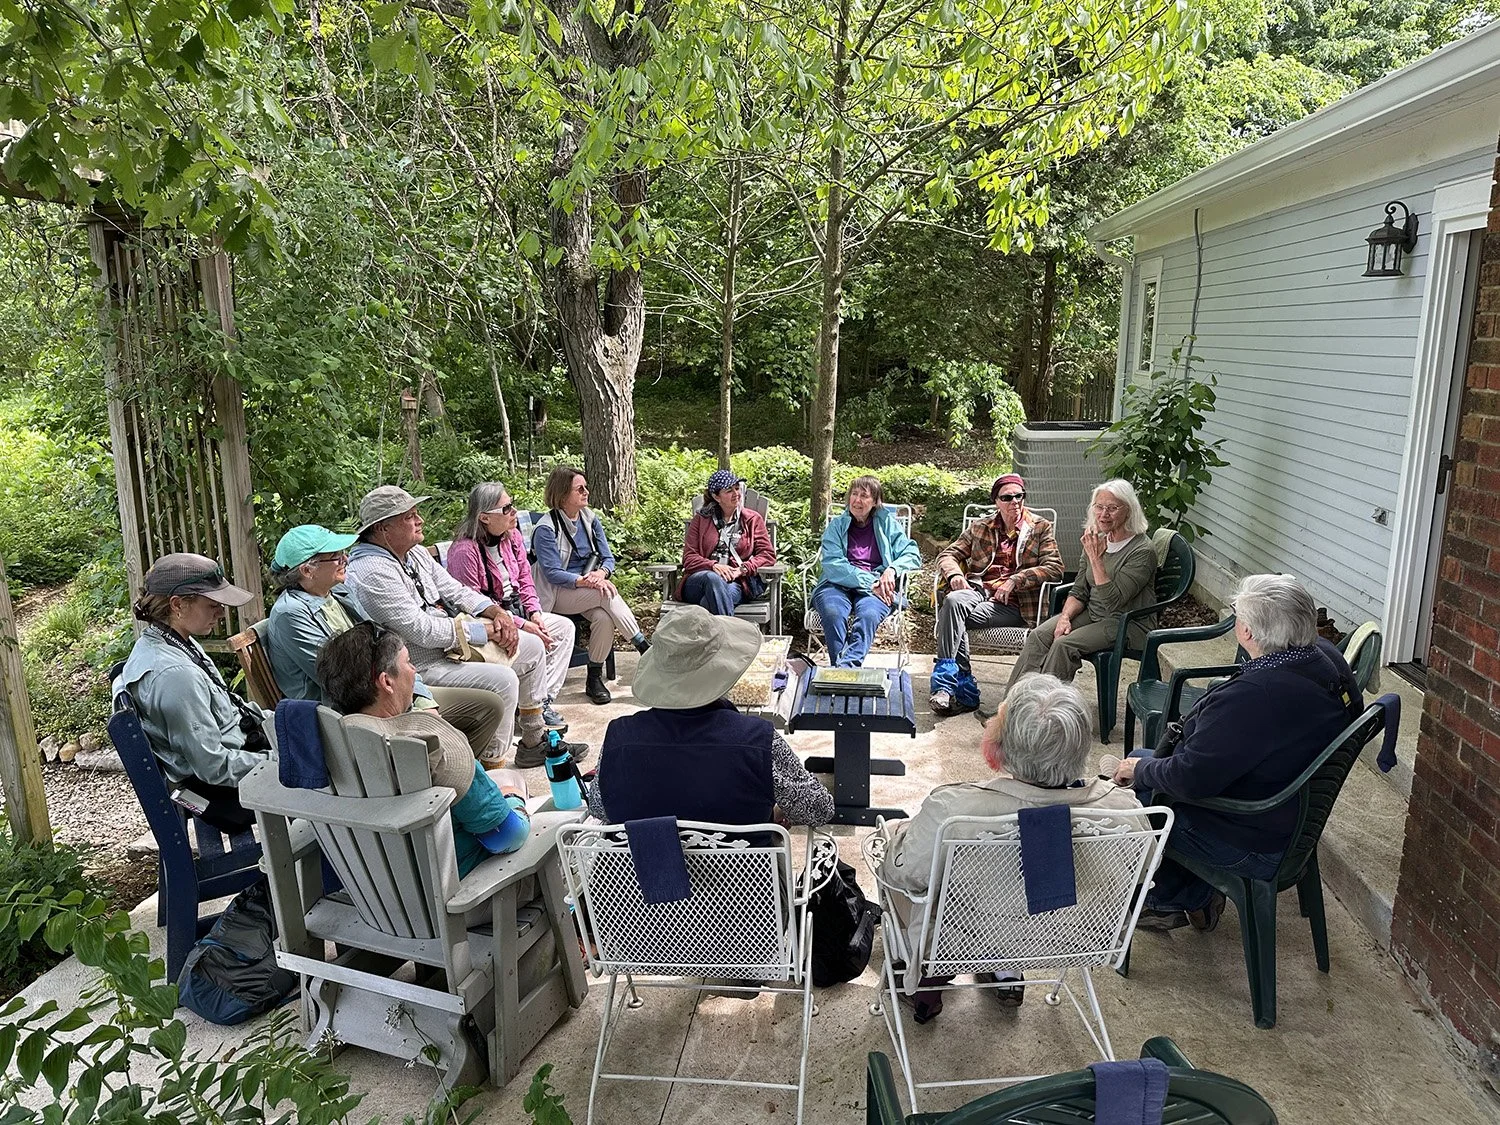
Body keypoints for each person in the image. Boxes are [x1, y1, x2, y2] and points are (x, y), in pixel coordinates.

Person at [877, 673, 1141, 1018]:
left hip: (963, 938)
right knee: (1018, 889)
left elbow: (907, 876)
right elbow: (1139, 872)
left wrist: (896, 837)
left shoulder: (954, 810)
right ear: (1081, 746)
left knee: (899, 860)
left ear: (1006, 742)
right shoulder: (1124, 809)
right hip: (1072, 935)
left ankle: (925, 983)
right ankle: (1008, 970)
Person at [1110, 574, 1363, 932]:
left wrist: (1140, 770)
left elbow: (1190, 778)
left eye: (1237, 614)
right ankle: (1187, 892)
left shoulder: (1256, 697)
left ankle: (1175, 898)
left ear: (1246, 631)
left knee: (1134, 801)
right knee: (1144, 758)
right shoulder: (1325, 657)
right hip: (1286, 803)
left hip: (1256, 836)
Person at [343, 485, 588, 770]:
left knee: (531, 646)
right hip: (420, 667)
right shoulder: (371, 571)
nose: (420, 520)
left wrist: (496, 612)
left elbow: (456, 590)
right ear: (383, 528)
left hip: (452, 650)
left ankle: (533, 741)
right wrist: (485, 632)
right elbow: (421, 630)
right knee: (503, 681)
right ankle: (494, 769)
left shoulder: (414, 554)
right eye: (409, 517)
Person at [265, 523, 506, 756]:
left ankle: (444, 775)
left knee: (488, 707)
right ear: (307, 570)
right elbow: (343, 679)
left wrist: (422, 698)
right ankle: (431, 776)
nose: (345, 559)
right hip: (346, 714)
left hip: (386, 689)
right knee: (441, 734)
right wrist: (410, 704)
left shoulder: (338, 593)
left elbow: (386, 645)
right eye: (336, 557)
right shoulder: (290, 614)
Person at [585, 605, 833, 829]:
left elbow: (598, 806)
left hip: (641, 865)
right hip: (743, 866)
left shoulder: (620, 737)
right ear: (724, 669)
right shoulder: (758, 739)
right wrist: (776, 811)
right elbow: (819, 808)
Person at [318, 623, 533, 877]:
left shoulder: (331, 747)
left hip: (376, 886)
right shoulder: (433, 749)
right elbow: (507, 837)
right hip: (455, 886)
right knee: (513, 783)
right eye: (409, 662)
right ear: (386, 682)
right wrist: (515, 800)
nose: (414, 670)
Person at [113, 554, 270, 832]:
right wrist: (279, 761)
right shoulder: (175, 675)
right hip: (225, 793)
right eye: (213, 605)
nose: (221, 613)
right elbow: (214, 767)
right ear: (177, 605)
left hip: (235, 757)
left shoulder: (171, 642)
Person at [445, 483, 576, 731]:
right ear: (484, 517)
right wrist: (522, 625)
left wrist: (534, 613)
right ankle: (530, 708)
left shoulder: (511, 537)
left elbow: (525, 579)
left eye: (512, 504)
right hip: (488, 621)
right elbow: (472, 603)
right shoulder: (464, 551)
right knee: (535, 640)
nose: (513, 512)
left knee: (563, 628)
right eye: (506, 508)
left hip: (517, 611)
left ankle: (541, 701)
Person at [1006, 479, 1157, 691]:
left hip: (1127, 623)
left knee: (1063, 645)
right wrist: (1065, 618)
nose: (1104, 514)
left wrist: (1095, 559)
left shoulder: (1142, 551)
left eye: (1112, 508)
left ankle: (1045, 706)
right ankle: (1013, 703)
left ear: (1129, 510)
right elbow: (1079, 590)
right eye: (1099, 507)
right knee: (1039, 636)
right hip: (1093, 614)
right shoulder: (1096, 539)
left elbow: (1113, 601)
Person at [931, 473, 1063, 714]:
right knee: (953, 600)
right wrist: (955, 575)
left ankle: (956, 690)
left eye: (1019, 496)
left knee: (951, 616)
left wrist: (1016, 580)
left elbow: (1055, 568)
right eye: (1007, 497)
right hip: (979, 591)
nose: (1015, 502)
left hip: (1016, 605)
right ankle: (950, 687)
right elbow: (947, 555)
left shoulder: (1040, 528)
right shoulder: (981, 527)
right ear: (996, 501)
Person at [531, 465, 650, 706]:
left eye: (586, 487)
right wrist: (585, 581)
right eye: (580, 489)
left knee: (604, 618)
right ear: (562, 495)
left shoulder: (589, 519)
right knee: (606, 594)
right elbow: (553, 573)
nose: (586, 492)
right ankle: (646, 649)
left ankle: (594, 678)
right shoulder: (545, 529)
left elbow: (608, 558)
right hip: (557, 592)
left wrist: (601, 573)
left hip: (588, 588)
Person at [811, 475, 922, 667]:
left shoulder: (887, 524)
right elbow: (833, 564)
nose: (857, 500)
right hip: (837, 584)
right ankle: (846, 671)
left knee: (869, 615)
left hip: (878, 585)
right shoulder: (836, 526)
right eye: (854, 494)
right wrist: (871, 583)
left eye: (864, 496)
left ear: (875, 502)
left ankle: (843, 670)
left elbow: (911, 554)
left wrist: (892, 569)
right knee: (833, 612)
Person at [676, 469, 777, 620]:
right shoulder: (701, 520)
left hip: (734, 583)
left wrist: (742, 569)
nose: (736, 494)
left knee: (707, 603)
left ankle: (717, 634)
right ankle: (730, 632)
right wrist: (713, 566)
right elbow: (689, 558)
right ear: (716, 496)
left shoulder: (752, 520)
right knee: (712, 578)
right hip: (699, 582)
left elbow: (767, 555)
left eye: (737, 488)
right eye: (729, 490)